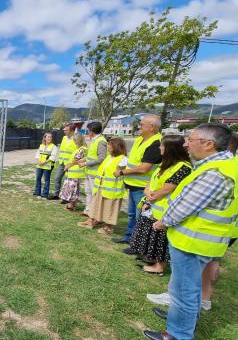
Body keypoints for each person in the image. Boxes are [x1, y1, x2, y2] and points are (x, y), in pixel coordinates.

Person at [143, 123, 238, 340]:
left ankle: (179, 335)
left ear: (208, 144)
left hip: (194, 240)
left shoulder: (215, 173)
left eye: (191, 139)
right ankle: (183, 318)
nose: (186, 143)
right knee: (191, 286)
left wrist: (163, 221)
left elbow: (186, 206)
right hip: (206, 239)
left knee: (183, 288)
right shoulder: (227, 165)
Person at [128, 135, 192, 275]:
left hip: (163, 209)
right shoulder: (165, 164)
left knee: (160, 239)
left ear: (170, 149)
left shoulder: (183, 167)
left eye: (162, 146)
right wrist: (147, 193)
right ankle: (150, 258)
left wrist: (152, 197)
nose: (159, 148)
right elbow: (152, 181)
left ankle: (159, 267)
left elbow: (167, 188)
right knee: (150, 234)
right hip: (153, 205)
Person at [112, 115, 162, 245]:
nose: (138, 126)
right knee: (131, 214)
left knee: (141, 216)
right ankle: (129, 237)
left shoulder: (156, 143)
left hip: (143, 187)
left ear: (151, 127)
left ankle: (138, 243)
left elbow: (144, 168)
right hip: (132, 184)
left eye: (141, 124)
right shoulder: (140, 139)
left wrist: (122, 172)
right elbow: (134, 161)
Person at [79, 137, 127, 234]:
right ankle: (92, 220)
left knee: (110, 208)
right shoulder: (109, 157)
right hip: (102, 187)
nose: (108, 146)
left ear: (116, 147)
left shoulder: (123, 159)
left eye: (110, 145)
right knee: (97, 205)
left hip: (113, 189)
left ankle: (108, 227)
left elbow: (123, 172)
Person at [77, 121, 107, 216]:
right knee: (88, 192)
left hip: (95, 173)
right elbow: (92, 155)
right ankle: (88, 210)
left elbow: (101, 158)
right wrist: (83, 159)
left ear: (91, 131)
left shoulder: (101, 141)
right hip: (89, 171)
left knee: (95, 194)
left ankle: (94, 214)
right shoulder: (94, 140)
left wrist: (85, 163)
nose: (87, 132)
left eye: (88, 130)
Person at [49, 123, 77, 201]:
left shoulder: (76, 139)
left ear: (72, 131)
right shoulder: (64, 138)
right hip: (62, 162)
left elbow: (79, 151)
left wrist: (72, 163)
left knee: (68, 181)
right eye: (64, 130)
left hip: (70, 164)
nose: (64, 131)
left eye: (66, 130)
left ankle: (66, 198)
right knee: (57, 178)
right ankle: (56, 194)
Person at [59, 133, 86, 211]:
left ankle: (71, 205)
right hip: (73, 172)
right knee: (72, 189)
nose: (73, 142)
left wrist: (67, 166)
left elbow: (76, 160)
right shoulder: (79, 148)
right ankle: (71, 205)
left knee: (72, 189)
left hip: (76, 172)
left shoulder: (82, 149)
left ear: (78, 140)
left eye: (74, 140)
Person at [33, 132, 58, 198]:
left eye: (51, 137)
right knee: (38, 178)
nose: (50, 138)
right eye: (48, 137)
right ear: (45, 138)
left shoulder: (54, 147)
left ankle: (45, 193)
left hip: (48, 165)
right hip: (40, 165)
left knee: (46, 179)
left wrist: (45, 162)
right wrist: (39, 161)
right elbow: (37, 155)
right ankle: (37, 192)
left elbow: (53, 156)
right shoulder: (41, 145)